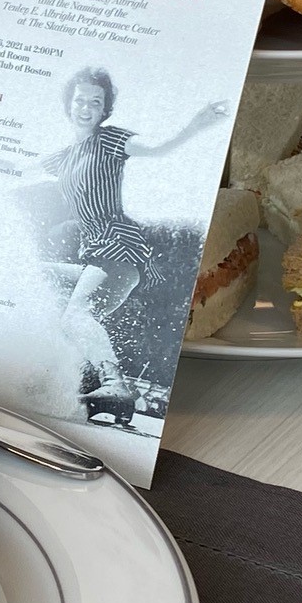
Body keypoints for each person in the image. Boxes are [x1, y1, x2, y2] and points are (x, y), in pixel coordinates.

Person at [31, 67, 228, 404]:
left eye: (96, 102)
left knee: (78, 315)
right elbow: (13, 168)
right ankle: (63, 376)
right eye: (81, 100)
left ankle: (116, 385)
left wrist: (196, 125)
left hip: (117, 246)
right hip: (95, 255)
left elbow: (157, 148)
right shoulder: (63, 157)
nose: (87, 107)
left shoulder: (109, 139)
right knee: (39, 281)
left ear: (104, 109)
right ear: (69, 104)